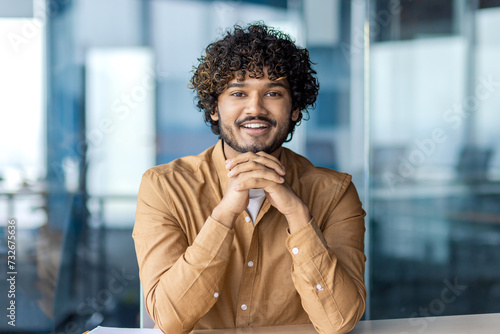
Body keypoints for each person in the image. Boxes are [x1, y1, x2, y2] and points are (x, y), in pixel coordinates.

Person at [133, 23, 366, 334]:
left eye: (272, 93)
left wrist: (298, 215)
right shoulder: (164, 187)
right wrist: (224, 215)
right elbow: (170, 320)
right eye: (238, 93)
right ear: (214, 108)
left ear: (294, 109)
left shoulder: (334, 192)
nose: (255, 108)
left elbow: (339, 321)